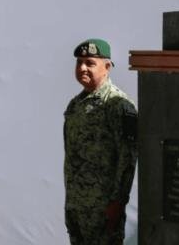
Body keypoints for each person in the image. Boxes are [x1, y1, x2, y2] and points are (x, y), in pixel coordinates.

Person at [64, 38, 138, 245]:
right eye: (79, 63)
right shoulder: (75, 105)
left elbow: (128, 158)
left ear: (107, 67)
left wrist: (118, 203)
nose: (82, 68)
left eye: (90, 63)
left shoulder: (118, 105)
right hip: (77, 207)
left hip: (103, 210)